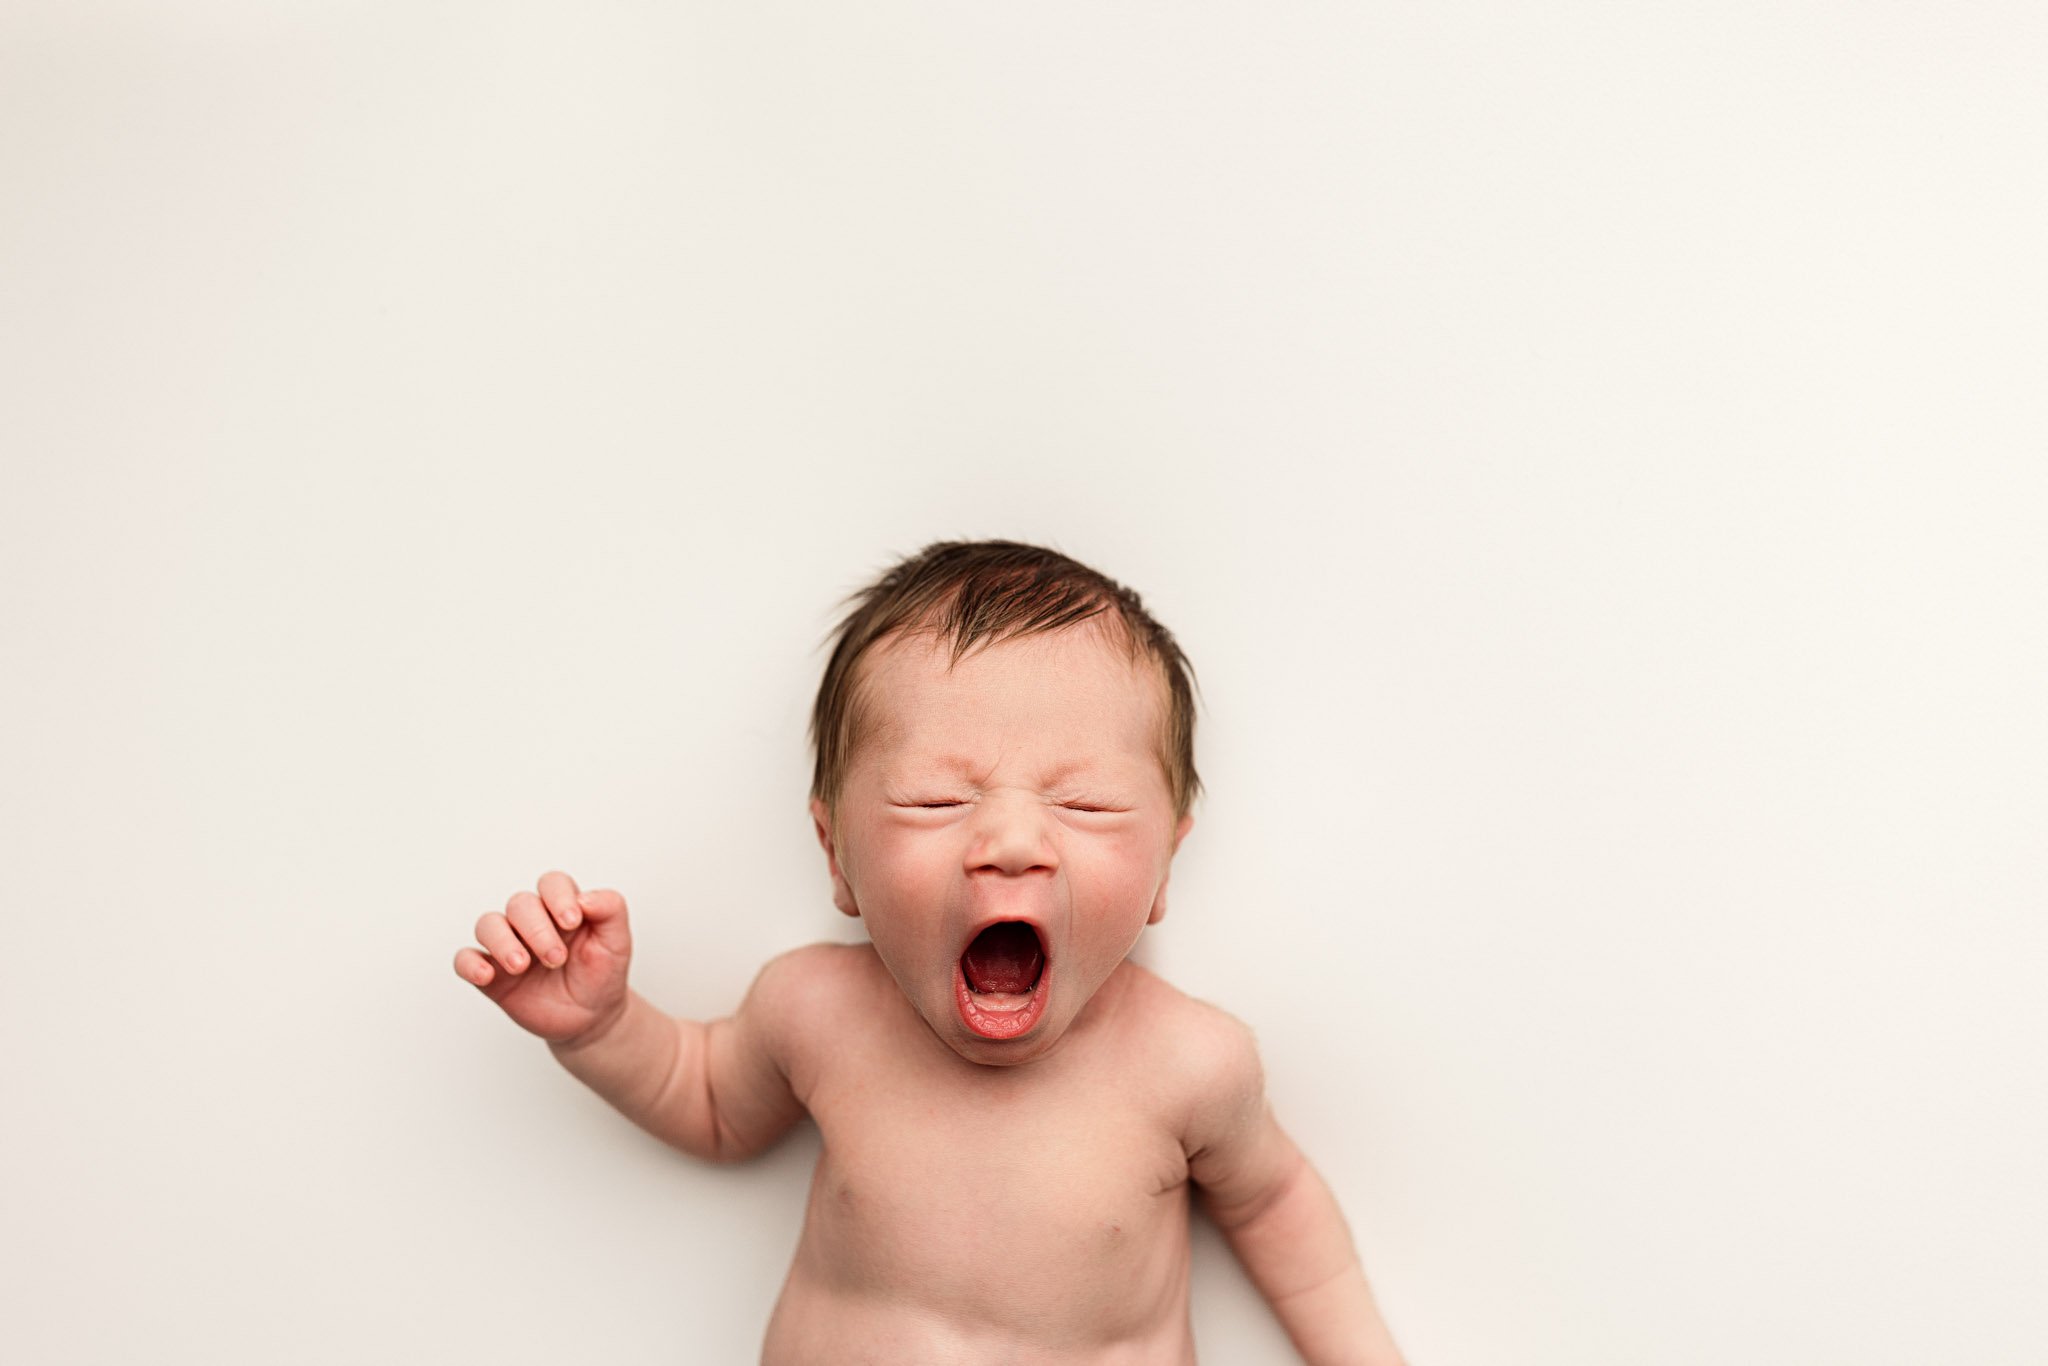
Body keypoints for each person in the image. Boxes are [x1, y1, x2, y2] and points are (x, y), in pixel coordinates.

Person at [452, 539, 1407, 1364]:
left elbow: (1279, 1209)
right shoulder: (814, 1011)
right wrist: (601, 1026)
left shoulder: (1189, 1064)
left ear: (1164, 870)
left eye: (1086, 805)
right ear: (839, 858)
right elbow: (707, 1102)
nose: (1011, 842)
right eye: (934, 800)